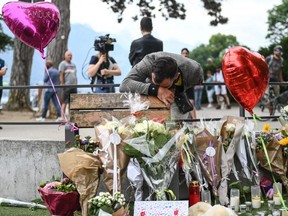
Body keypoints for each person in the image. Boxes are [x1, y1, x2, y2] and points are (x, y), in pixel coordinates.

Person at [120, 51, 204, 120]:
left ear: (176, 76)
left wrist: (177, 90)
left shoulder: (194, 71)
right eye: (155, 83)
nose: (160, 87)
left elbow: (196, 82)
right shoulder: (147, 62)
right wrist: (155, 90)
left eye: (164, 86)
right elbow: (125, 84)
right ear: (151, 71)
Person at [59, 50, 77, 119]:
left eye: (71, 55)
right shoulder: (63, 64)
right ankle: (62, 116)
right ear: (65, 56)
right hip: (67, 86)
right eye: (68, 55)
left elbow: (75, 75)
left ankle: (70, 116)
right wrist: (62, 83)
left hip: (74, 86)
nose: (70, 56)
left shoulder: (73, 65)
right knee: (64, 101)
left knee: (72, 102)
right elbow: (61, 74)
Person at [181, 48, 199, 117]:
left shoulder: (192, 63)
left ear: (188, 54)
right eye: (183, 53)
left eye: (186, 53)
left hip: (189, 85)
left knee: (191, 103)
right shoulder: (178, 63)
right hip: (181, 86)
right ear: (181, 54)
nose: (185, 55)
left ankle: (195, 121)